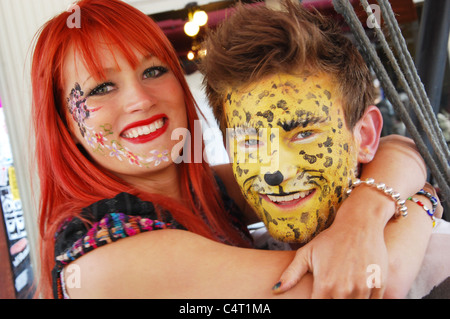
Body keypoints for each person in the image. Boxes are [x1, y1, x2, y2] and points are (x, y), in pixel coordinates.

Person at [31, 0, 434, 299]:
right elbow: (373, 283)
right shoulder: (107, 258)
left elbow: (400, 148)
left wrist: (362, 216)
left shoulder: (208, 191)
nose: (139, 100)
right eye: (101, 88)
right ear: (64, 122)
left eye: (153, 70)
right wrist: (424, 204)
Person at [200, 0, 450, 298]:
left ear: (366, 137)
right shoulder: (243, 251)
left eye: (304, 133)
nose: (274, 171)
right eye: (251, 142)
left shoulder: (439, 261)